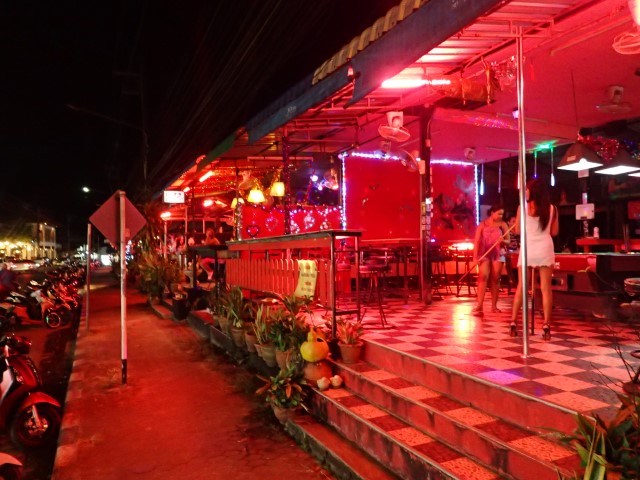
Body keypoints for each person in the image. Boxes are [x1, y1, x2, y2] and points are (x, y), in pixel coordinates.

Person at [510, 178, 559, 340]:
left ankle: (513, 322)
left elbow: (517, 230)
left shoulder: (522, 208)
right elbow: (554, 232)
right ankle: (546, 325)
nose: (525, 192)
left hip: (528, 248)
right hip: (545, 247)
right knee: (545, 289)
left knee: (521, 287)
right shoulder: (552, 209)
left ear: (532, 191)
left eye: (527, 189)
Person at [471, 203, 509, 316]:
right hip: (484, 253)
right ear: (492, 213)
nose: (501, 216)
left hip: (498, 253)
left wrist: (503, 241)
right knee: (483, 277)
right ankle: (479, 305)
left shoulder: (503, 225)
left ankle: (494, 306)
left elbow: (508, 241)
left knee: (496, 278)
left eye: (502, 214)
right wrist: (475, 257)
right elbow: (477, 241)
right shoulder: (482, 224)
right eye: (499, 214)